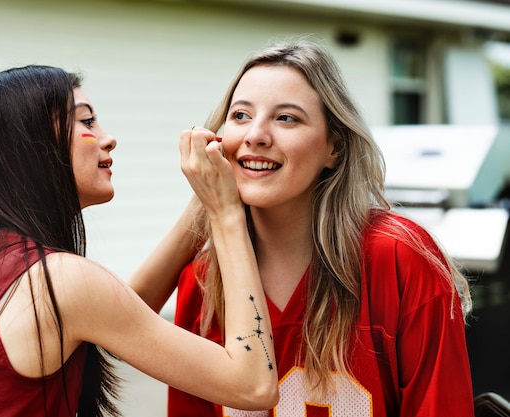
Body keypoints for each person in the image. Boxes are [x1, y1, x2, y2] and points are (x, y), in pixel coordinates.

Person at [0, 65, 279, 417]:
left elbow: (121, 316)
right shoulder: (59, 281)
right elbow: (253, 385)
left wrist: (204, 205)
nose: (109, 139)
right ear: (30, 145)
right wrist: (226, 214)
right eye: (87, 121)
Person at [132, 37, 475, 416]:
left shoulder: (399, 256)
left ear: (335, 148)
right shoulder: (202, 279)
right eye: (241, 115)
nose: (255, 136)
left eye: (286, 118)